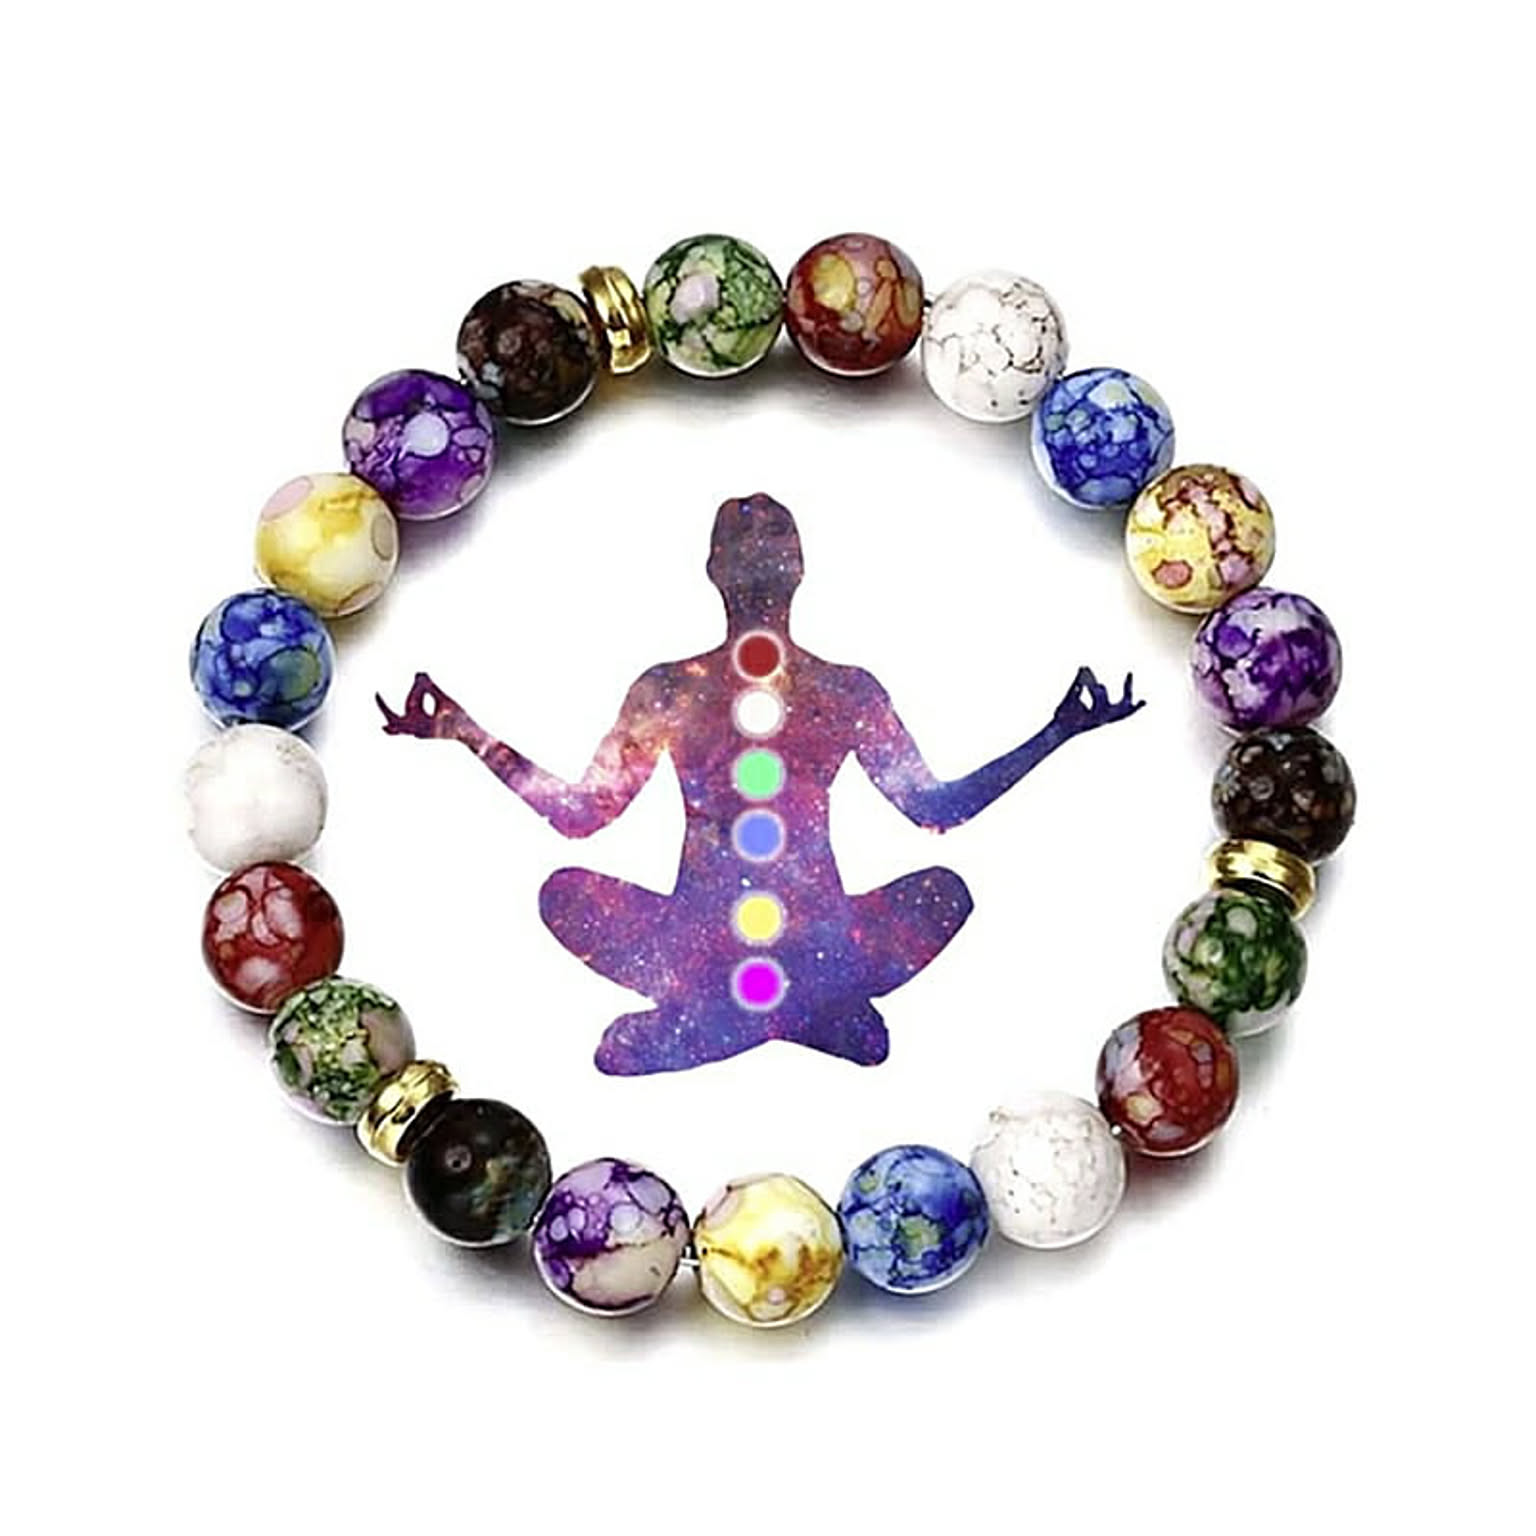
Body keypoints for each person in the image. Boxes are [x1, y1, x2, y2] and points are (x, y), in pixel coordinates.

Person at [379, 492, 1143, 1074]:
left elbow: (934, 809)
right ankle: (794, 1012)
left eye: (774, 535)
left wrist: (1057, 734)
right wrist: (466, 733)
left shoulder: (846, 690)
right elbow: (583, 815)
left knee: (945, 893)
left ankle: (735, 1016)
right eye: (741, 538)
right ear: (713, 568)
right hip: (702, 941)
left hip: (821, 940)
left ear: (802, 565)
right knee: (564, 895)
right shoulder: (668, 690)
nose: (758, 550)